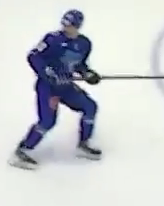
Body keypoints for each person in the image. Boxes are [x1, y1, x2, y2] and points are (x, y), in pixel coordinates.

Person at [11, 10, 101, 169]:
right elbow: (33, 56)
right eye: (64, 24)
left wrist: (88, 74)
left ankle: (84, 143)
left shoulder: (84, 44)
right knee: (47, 121)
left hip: (65, 86)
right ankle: (23, 150)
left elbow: (79, 65)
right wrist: (47, 72)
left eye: (70, 25)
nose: (65, 28)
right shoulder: (52, 39)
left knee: (90, 107)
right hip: (48, 87)